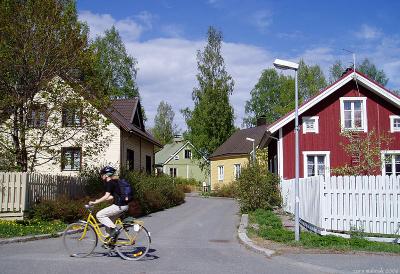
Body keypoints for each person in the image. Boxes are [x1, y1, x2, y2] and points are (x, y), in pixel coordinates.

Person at [89, 166, 129, 239]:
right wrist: (101, 200)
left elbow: (106, 196)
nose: (101, 176)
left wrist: (95, 202)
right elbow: (113, 196)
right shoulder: (115, 182)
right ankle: (109, 240)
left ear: (106, 175)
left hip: (119, 206)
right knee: (108, 221)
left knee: (99, 215)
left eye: (102, 174)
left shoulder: (110, 183)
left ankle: (115, 230)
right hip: (124, 206)